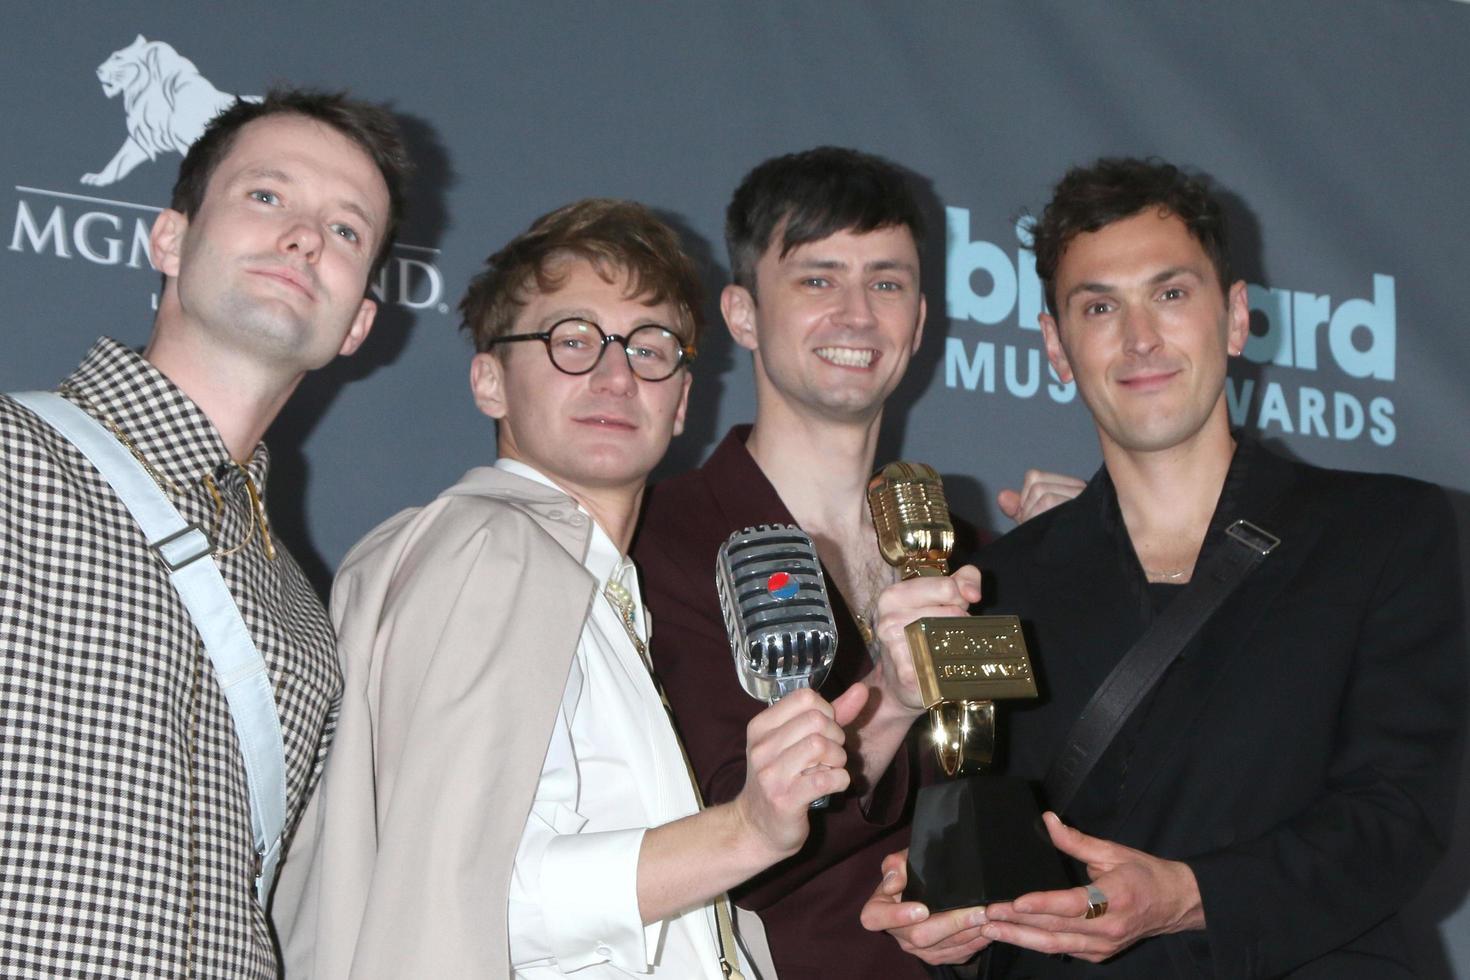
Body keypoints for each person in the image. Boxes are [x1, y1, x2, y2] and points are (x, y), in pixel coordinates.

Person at [861, 157, 1467, 976]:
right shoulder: (1003, 583)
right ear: (1056, 346)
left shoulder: (1384, 532)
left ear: (1237, 317)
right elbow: (1005, 837)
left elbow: (1398, 816)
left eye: (1171, 294)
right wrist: (944, 901)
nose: (1139, 337)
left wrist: (1190, 893)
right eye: (1100, 306)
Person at [276, 199, 864, 979]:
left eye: (650, 349)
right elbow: (464, 899)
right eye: (572, 341)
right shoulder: (493, 550)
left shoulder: (589, 583)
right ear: (490, 380)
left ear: (682, 401)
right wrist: (744, 831)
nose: (616, 376)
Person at [634, 146, 1079, 979]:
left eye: (886, 282)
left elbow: (1043, 797)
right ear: (741, 313)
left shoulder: (968, 554)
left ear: (918, 319)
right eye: (816, 279)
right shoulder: (662, 541)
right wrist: (888, 699)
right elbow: (719, 838)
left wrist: (1082, 576)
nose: (856, 313)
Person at [0, 89, 409, 979]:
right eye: (268, 197)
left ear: (359, 324)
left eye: (347, 232)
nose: (306, 236)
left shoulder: (301, 613)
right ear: (170, 240)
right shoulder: (11, 459)